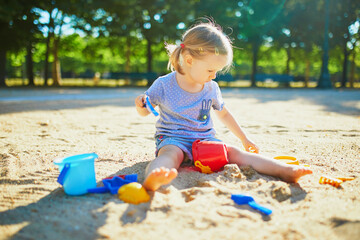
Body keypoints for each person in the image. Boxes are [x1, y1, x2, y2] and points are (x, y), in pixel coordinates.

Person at [135, 20, 312, 191]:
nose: (214, 76)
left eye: (217, 71)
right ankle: (155, 176)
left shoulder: (211, 88)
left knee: (235, 154)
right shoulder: (164, 84)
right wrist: (140, 105)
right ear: (189, 60)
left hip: (205, 141)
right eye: (210, 70)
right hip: (173, 140)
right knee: (170, 156)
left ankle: (283, 170)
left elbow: (224, 114)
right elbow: (145, 111)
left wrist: (243, 138)